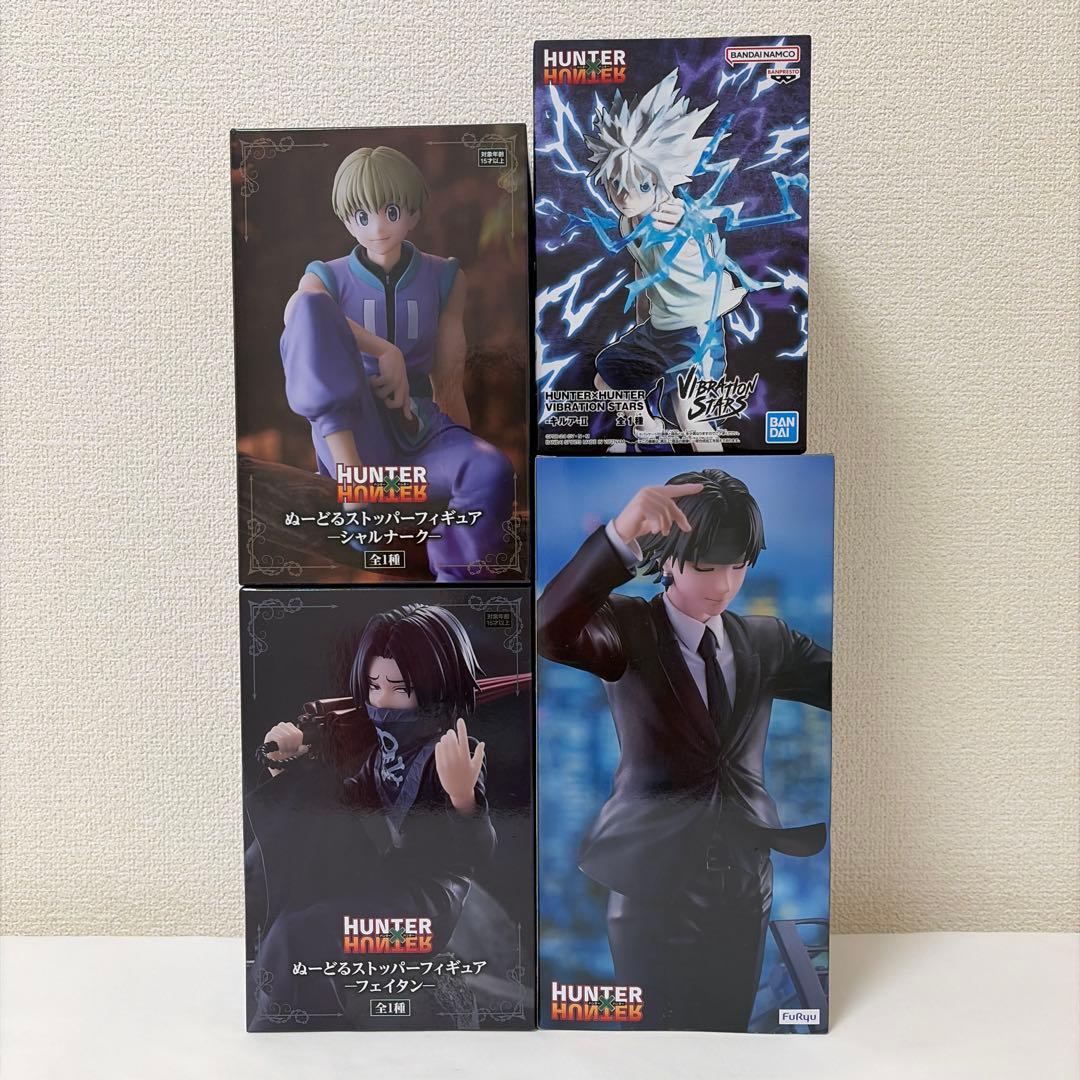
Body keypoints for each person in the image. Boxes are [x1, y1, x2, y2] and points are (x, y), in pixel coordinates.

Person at [537, 469, 831, 1031]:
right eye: (706, 566)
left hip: (746, 882)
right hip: (653, 885)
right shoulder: (628, 628)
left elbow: (854, 685)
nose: (724, 585)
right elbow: (549, 629)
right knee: (655, 1041)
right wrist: (620, 534)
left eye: (738, 566)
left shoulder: (767, 641)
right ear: (668, 558)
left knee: (729, 1035)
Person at [245, 604, 494, 1029]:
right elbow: (349, 807)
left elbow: (477, 853)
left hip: (421, 912)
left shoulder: (454, 752)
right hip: (377, 877)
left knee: (296, 934)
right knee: (269, 872)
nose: (381, 702)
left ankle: (294, 1024)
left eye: (400, 689)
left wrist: (463, 798)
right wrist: (286, 767)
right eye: (374, 686)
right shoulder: (381, 752)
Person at [280, 145, 514, 579]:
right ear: (346, 220)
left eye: (390, 211)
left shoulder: (445, 277)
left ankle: (454, 592)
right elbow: (299, 311)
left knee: (490, 470)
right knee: (310, 308)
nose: (377, 227)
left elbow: (448, 379)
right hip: (355, 446)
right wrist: (384, 350)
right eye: (361, 216)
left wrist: (460, 460)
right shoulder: (325, 277)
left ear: (414, 212)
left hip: (414, 449)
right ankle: (355, 490)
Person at [582, 71, 749, 445]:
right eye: (616, 184)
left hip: (696, 331)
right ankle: (649, 427)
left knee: (692, 418)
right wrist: (644, 320)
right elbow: (643, 270)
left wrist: (685, 222)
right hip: (658, 331)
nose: (626, 195)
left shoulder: (676, 215)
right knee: (606, 378)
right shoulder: (628, 221)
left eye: (641, 184)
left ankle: (715, 474)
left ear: (664, 178)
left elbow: (696, 232)